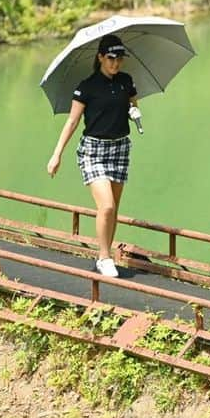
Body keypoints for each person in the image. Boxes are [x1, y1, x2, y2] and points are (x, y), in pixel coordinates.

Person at [46, 35, 142, 278]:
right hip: (94, 150)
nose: (116, 63)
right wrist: (57, 154)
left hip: (120, 147)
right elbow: (73, 120)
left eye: (119, 58)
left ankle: (106, 252)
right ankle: (103, 257)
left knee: (113, 208)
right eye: (111, 58)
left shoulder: (125, 81)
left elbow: (132, 102)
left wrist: (134, 110)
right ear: (100, 57)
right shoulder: (87, 86)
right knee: (106, 205)